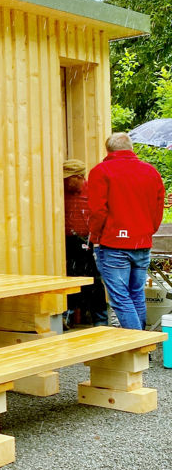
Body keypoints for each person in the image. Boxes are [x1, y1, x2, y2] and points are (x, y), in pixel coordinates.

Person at [87, 133, 165, 330]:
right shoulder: (151, 172)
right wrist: (148, 231)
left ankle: (137, 347)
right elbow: (157, 209)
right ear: (131, 148)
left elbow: (98, 210)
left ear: (108, 150)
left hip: (114, 244)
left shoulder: (101, 171)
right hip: (142, 242)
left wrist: (94, 237)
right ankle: (141, 350)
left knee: (121, 299)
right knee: (136, 294)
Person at [62, 159, 109, 327]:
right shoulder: (61, 191)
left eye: (69, 178)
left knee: (94, 281)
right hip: (67, 241)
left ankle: (100, 320)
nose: (66, 182)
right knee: (70, 279)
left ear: (80, 177)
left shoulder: (93, 191)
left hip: (89, 241)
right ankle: (68, 315)